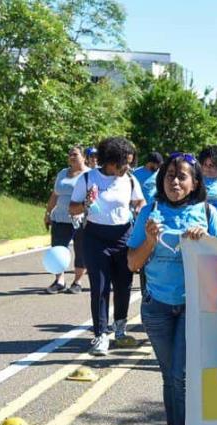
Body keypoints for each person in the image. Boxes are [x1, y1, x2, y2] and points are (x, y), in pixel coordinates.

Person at [127, 153, 217, 425]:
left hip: (193, 307)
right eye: (170, 175)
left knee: (180, 377)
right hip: (157, 306)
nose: (174, 181)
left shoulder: (208, 212)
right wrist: (151, 240)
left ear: (195, 182)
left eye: (182, 176)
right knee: (170, 378)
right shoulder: (149, 212)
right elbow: (132, 263)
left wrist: (208, 240)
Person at [69, 137, 145, 356]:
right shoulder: (87, 178)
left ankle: (120, 330)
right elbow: (73, 209)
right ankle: (101, 335)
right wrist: (85, 204)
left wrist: (138, 209)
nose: (128, 167)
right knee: (100, 288)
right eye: (124, 163)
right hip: (95, 238)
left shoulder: (129, 180)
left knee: (124, 286)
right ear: (110, 161)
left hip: (123, 237)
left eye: (130, 162)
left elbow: (139, 202)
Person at [43, 146, 90, 294]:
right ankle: (59, 281)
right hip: (60, 218)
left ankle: (77, 281)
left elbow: (93, 198)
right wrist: (48, 212)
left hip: (80, 219)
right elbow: (55, 194)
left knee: (80, 250)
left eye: (75, 154)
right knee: (57, 249)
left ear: (83, 157)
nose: (72, 157)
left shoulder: (89, 174)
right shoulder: (62, 173)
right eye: (70, 154)